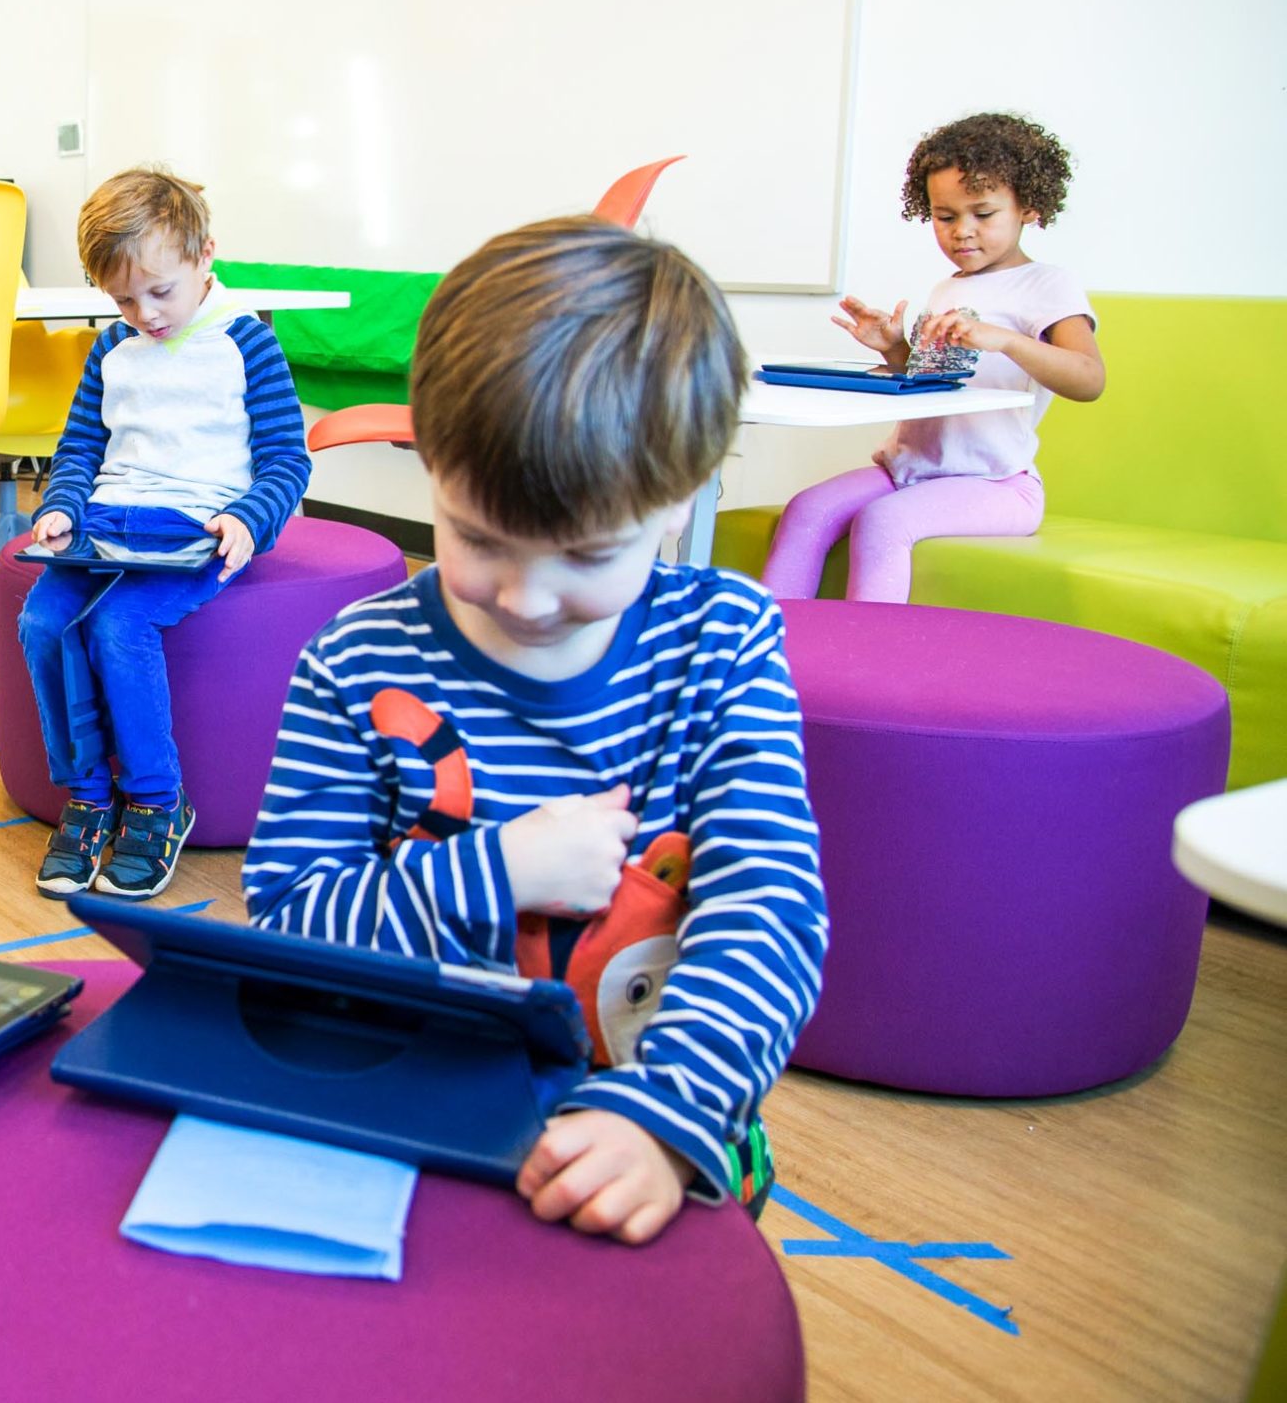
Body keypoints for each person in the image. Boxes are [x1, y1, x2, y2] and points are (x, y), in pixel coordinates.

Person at [243, 216, 828, 1246]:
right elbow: (290, 920)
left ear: (677, 502)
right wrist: (498, 870)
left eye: (586, 557)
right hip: (407, 1114)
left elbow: (766, 909)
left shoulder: (724, 644)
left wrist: (665, 1116)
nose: (522, 596)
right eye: (475, 537)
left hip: (654, 1118)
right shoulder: (354, 660)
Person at [20, 166, 310, 900]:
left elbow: (285, 460)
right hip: (108, 523)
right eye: (122, 298)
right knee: (42, 621)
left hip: (196, 529)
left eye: (160, 292)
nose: (144, 314)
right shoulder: (111, 349)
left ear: (205, 255)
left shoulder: (248, 344)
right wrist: (62, 505)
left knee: (119, 626)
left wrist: (249, 518)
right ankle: (87, 796)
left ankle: (155, 802)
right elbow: (81, 447)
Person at [762, 112, 1106, 603]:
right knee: (808, 509)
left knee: (883, 521)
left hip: (996, 483)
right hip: (909, 468)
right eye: (945, 217)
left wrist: (1006, 339)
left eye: (982, 214)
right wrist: (895, 349)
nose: (961, 232)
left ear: (1028, 207)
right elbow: (936, 383)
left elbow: (1089, 379)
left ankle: (864, 664)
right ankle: (761, 653)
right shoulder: (948, 288)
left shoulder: (1047, 285)